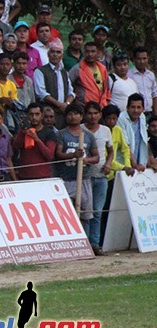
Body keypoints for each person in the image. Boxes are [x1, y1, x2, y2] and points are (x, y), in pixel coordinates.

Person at [55, 104, 98, 226]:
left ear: (81, 117)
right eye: (69, 114)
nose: (72, 117)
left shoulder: (88, 136)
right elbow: (58, 154)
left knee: (85, 214)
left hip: (84, 178)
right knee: (65, 213)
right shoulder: (61, 134)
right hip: (66, 179)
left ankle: (86, 240)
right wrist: (73, 155)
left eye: (75, 114)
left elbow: (96, 157)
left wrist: (86, 160)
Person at [82, 101, 112, 256]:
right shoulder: (80, 130)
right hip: (84, 177)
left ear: (100, 114)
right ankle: (85, 243)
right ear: (85, 115)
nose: (93, 116)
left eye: (95, 113)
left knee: (98, 211)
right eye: (90, 113)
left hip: (101, 176)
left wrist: (108, 163)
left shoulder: (106, 130)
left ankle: (95, 243)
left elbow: (111, 151)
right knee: (86, 212)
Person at [12, 102, 58, 181]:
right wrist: (22, 132)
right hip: (24, 177)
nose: (34, 117)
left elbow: (50, 155)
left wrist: (37, 139)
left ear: (42, 115)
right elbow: (16, 147)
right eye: (31, 114)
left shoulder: (49, 133)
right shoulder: (23, 131)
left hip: (43, 177)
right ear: (27, 116)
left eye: (37, 114)